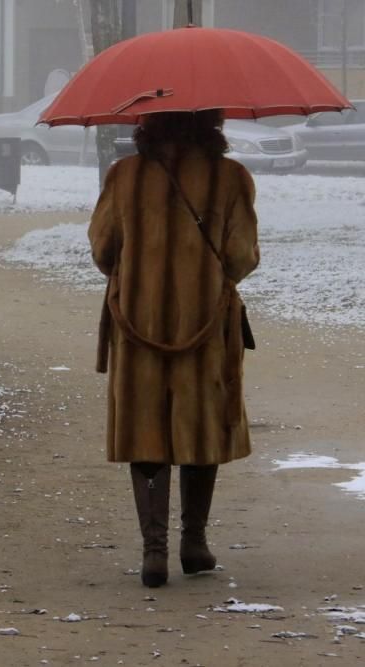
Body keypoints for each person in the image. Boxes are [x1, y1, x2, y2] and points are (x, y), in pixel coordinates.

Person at [88, 110, 259, 588]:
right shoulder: (231, 178)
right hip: (205, 325)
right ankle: (195, 543)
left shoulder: (124, 176)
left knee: (146, 427)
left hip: (136, 321)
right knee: (201, 424)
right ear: (212, 123)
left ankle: (154, 551)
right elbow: (242, 256)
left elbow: (103, 250)